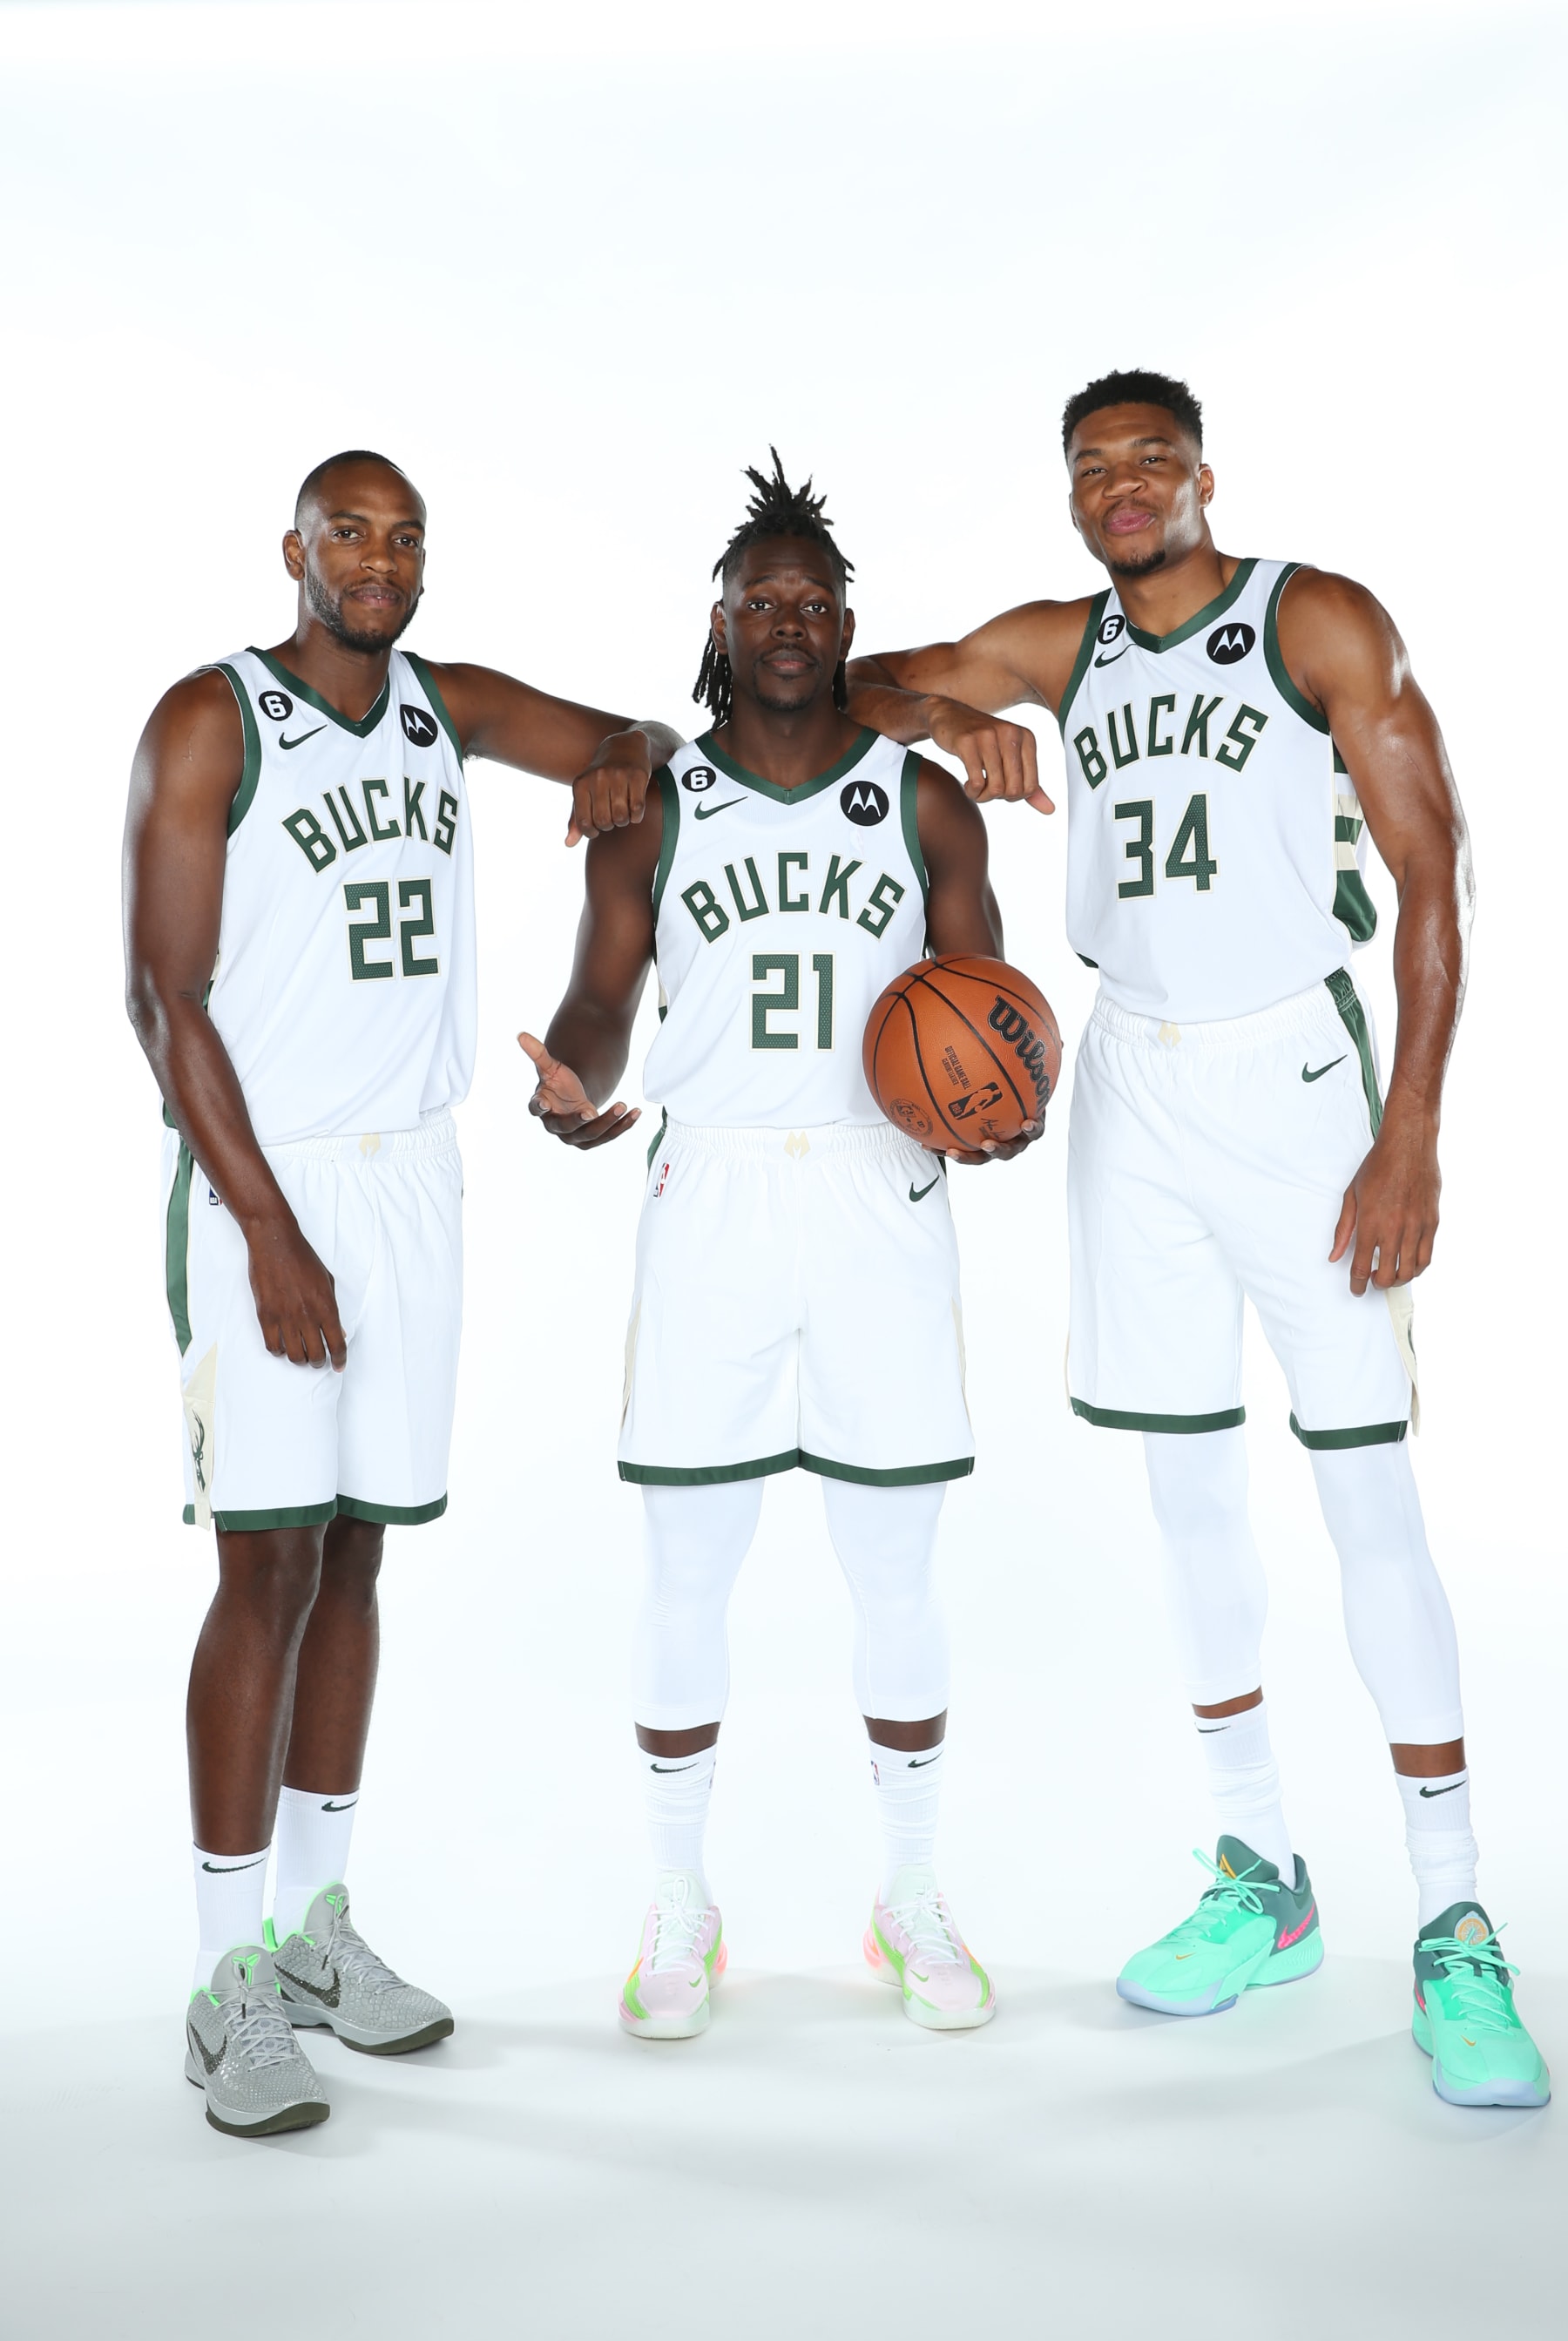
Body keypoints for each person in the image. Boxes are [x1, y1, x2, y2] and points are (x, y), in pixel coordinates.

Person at [842, 369, 1548, 2108]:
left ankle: (1455, 1920)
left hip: (1299, 1078)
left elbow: (1438, 867)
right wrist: (950, 719)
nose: (1125, 487)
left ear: (1205, 475)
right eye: (1095, 469)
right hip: (1129, 1087)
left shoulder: (1313, 618)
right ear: (1074, 499)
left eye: (1153, 460)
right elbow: (849, 682)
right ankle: (1264, 1877)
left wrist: (1413, 1131)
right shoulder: (1062, 644)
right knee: (1188, 1491)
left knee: (1368, 1487)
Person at [124, 449, 679, 2136]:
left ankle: (314, 1929)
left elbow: (639, 746)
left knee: (357, 1550)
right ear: (288, 549)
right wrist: (272, 1234)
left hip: (415, 1176)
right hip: (270, 1178)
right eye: (345, 534)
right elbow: (163, 1002)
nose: (376, 559)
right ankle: (224, 1983)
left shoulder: (442, 704)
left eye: (402, 536)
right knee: (265, 1566)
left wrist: (615, 812)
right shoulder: (211, 717)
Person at [522, 453, 1038, 2040]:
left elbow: (990, 1004)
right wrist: (569, 1087)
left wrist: (1000, 1108)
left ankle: (912, 1894)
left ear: (845, 619)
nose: (792, 620)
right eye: (764, 599)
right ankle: (681, 1904)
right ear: (724, 622)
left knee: (895, 1566)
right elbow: (604, 1005)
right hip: (717, 1197)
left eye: (816, 599)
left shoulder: (922, 796)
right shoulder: (653, 804)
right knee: (691, 1563)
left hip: (882, 1192)